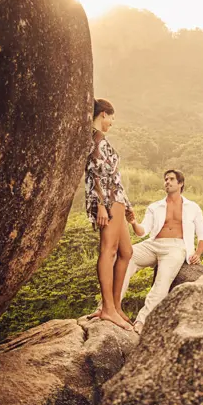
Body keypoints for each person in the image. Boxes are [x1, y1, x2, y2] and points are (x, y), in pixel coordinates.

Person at [123, 169, 203, 333]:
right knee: (126, 257)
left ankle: (142, 321)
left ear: (180, 183)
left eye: (171, 179)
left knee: (161, 284)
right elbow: (143, 232)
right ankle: (110, 308)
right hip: (153, 243)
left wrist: (197, 253)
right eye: (165, 179)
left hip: (176, 247)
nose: (167, 182)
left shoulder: (193, 207)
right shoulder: (155, 206)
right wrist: (133, 222)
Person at [84, 98, 134, 330]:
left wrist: (129, 205)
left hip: (118, 200)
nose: (112, 122)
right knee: (109, 250)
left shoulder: (103, 140)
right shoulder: (95, 139)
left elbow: (114, 176)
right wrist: (102, 204)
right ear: (103, 114)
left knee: (126, 251)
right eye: (112, 117)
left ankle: (115, 305)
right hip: (108, 200)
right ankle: (107, 309)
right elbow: (95, 174)